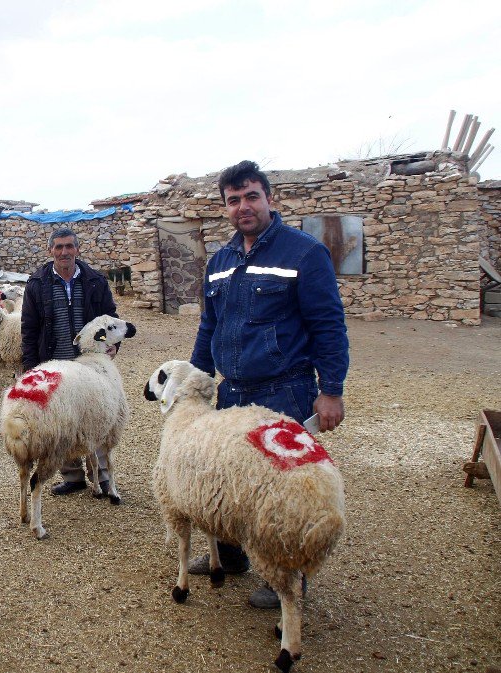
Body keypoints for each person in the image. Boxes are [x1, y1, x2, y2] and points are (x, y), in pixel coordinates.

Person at [189, 160, 349, 609]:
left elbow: (328, 326)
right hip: (232, 392)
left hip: (285, 392)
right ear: (225, 207)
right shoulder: (220, 263)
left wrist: (331, 388)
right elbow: (209, 326)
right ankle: (233, 556)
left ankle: (287, 574)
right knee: (230, 477)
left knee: (283, 487)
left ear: (270, 198)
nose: (244, 207)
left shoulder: (303, 253)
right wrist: (197, 380)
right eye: (234, 200)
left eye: (251, 196)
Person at [21, 226, 119, 496]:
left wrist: (113, 345)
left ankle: (102, 476)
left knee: (97, 416)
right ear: (50, 250)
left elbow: (110, 318)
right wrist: (30, 369)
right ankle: (72, 476)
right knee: (62, 420)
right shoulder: (37, 284)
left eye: (69, 246)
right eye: (59, 247)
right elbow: (29, 328)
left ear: (77, 249)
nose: (64, 252)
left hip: (90, 364)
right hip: (55, 361)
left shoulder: (94, 281)